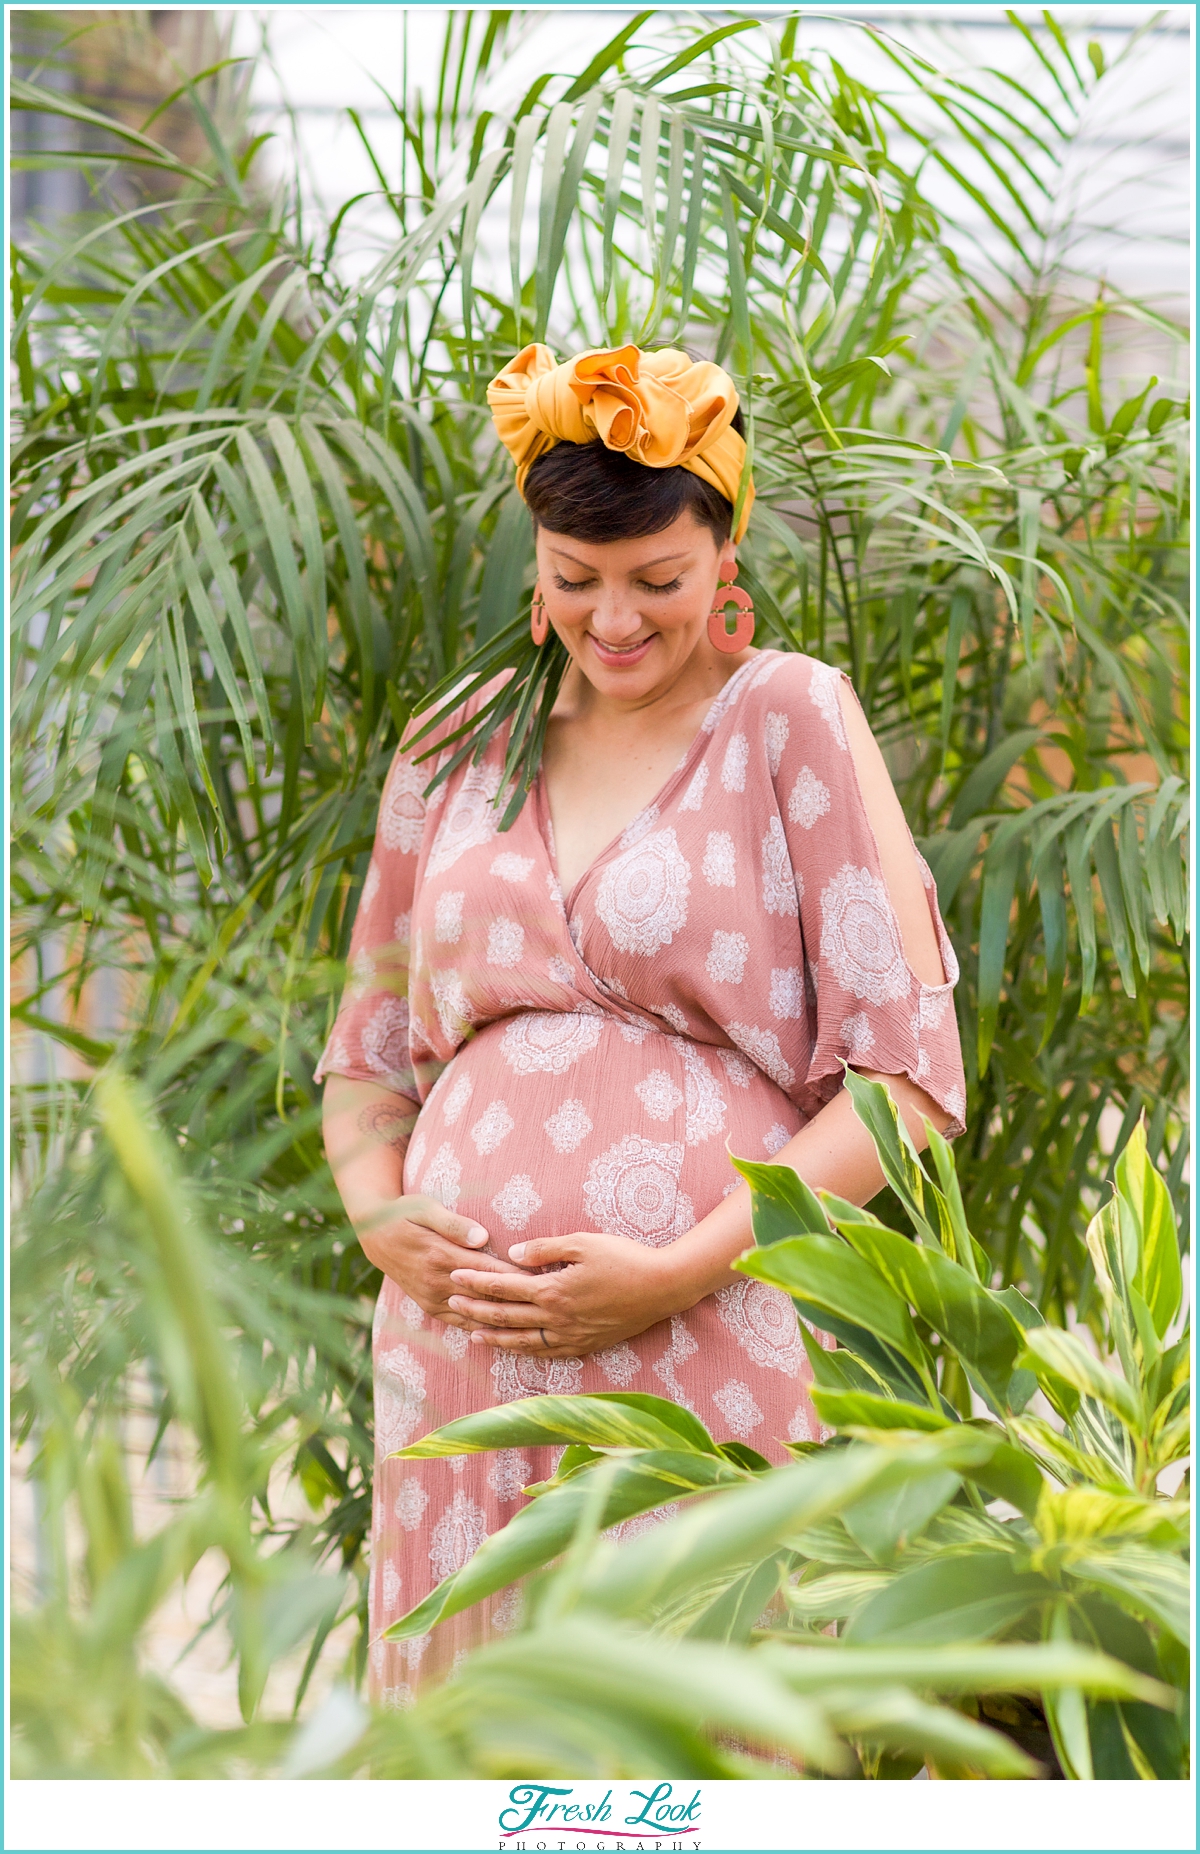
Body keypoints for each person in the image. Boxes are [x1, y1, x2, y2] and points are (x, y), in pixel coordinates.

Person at [318, 342, 967, 1706]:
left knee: (688, 1730)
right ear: (538, 568)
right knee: (472, 1738)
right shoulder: (452, 746)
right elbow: (366, 1065)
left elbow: (905, 1086)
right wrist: (380, 1212)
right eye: (576, 580)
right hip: (457, 1364)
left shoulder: (786, 718)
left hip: (708, 1336)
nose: (615, 619)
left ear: (720, 563)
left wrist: (681, 1264)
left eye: (657, 582)